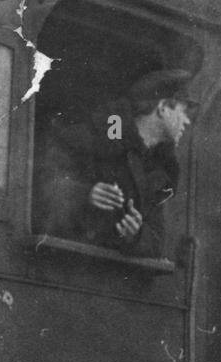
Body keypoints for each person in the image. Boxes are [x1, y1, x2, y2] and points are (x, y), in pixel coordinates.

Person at [37, 69, 197, 258]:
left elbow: (157, 243)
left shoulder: (159, 169)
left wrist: (136, 234)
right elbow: (40, 184)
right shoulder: (100, 134)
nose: (187, 121)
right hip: (64, 263)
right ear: (162, 107)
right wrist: (85, 194)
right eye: (183, 111)